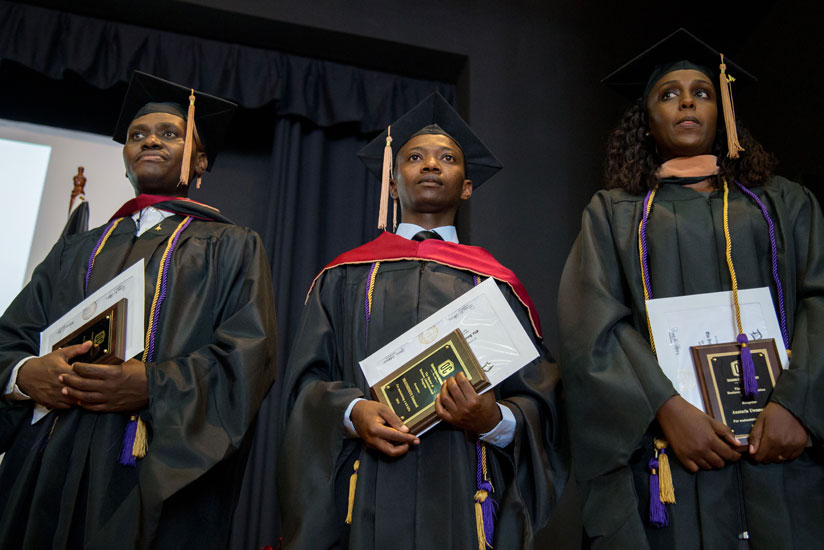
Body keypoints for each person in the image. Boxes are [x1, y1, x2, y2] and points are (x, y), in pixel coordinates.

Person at [558, 29, 824, 549]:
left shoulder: (784, 204)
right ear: (647, 120)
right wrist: (666, 408)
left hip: (784, 450)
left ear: (723, 110)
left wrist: (799, 404)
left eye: (702, 92)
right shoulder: (614, 214)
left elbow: (821, 298)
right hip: (669, 453)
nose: (686, 102)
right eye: (668, 93)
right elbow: (591, 325)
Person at [0, 71, 277, 549]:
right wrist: (24, 375)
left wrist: (152, 385)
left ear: (201, 159)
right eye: (138, 135)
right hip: (49, 464)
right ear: (126, 158)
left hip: (147, 465)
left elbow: (246, 358)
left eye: (170, 133)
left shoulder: (231, 245)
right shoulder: (77, 249)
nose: (151, 140)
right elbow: (12, 337)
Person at [277, 92, 566, 550]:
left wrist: (492, 418)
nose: (431, 165)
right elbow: (305, 384)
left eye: (447, 158)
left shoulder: (496, 286)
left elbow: (540, 402)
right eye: (415, 157)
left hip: (463, 493)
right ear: (393, 184)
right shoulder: (345, 277)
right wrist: (354, 413)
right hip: (364, 492)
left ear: (467, 186)